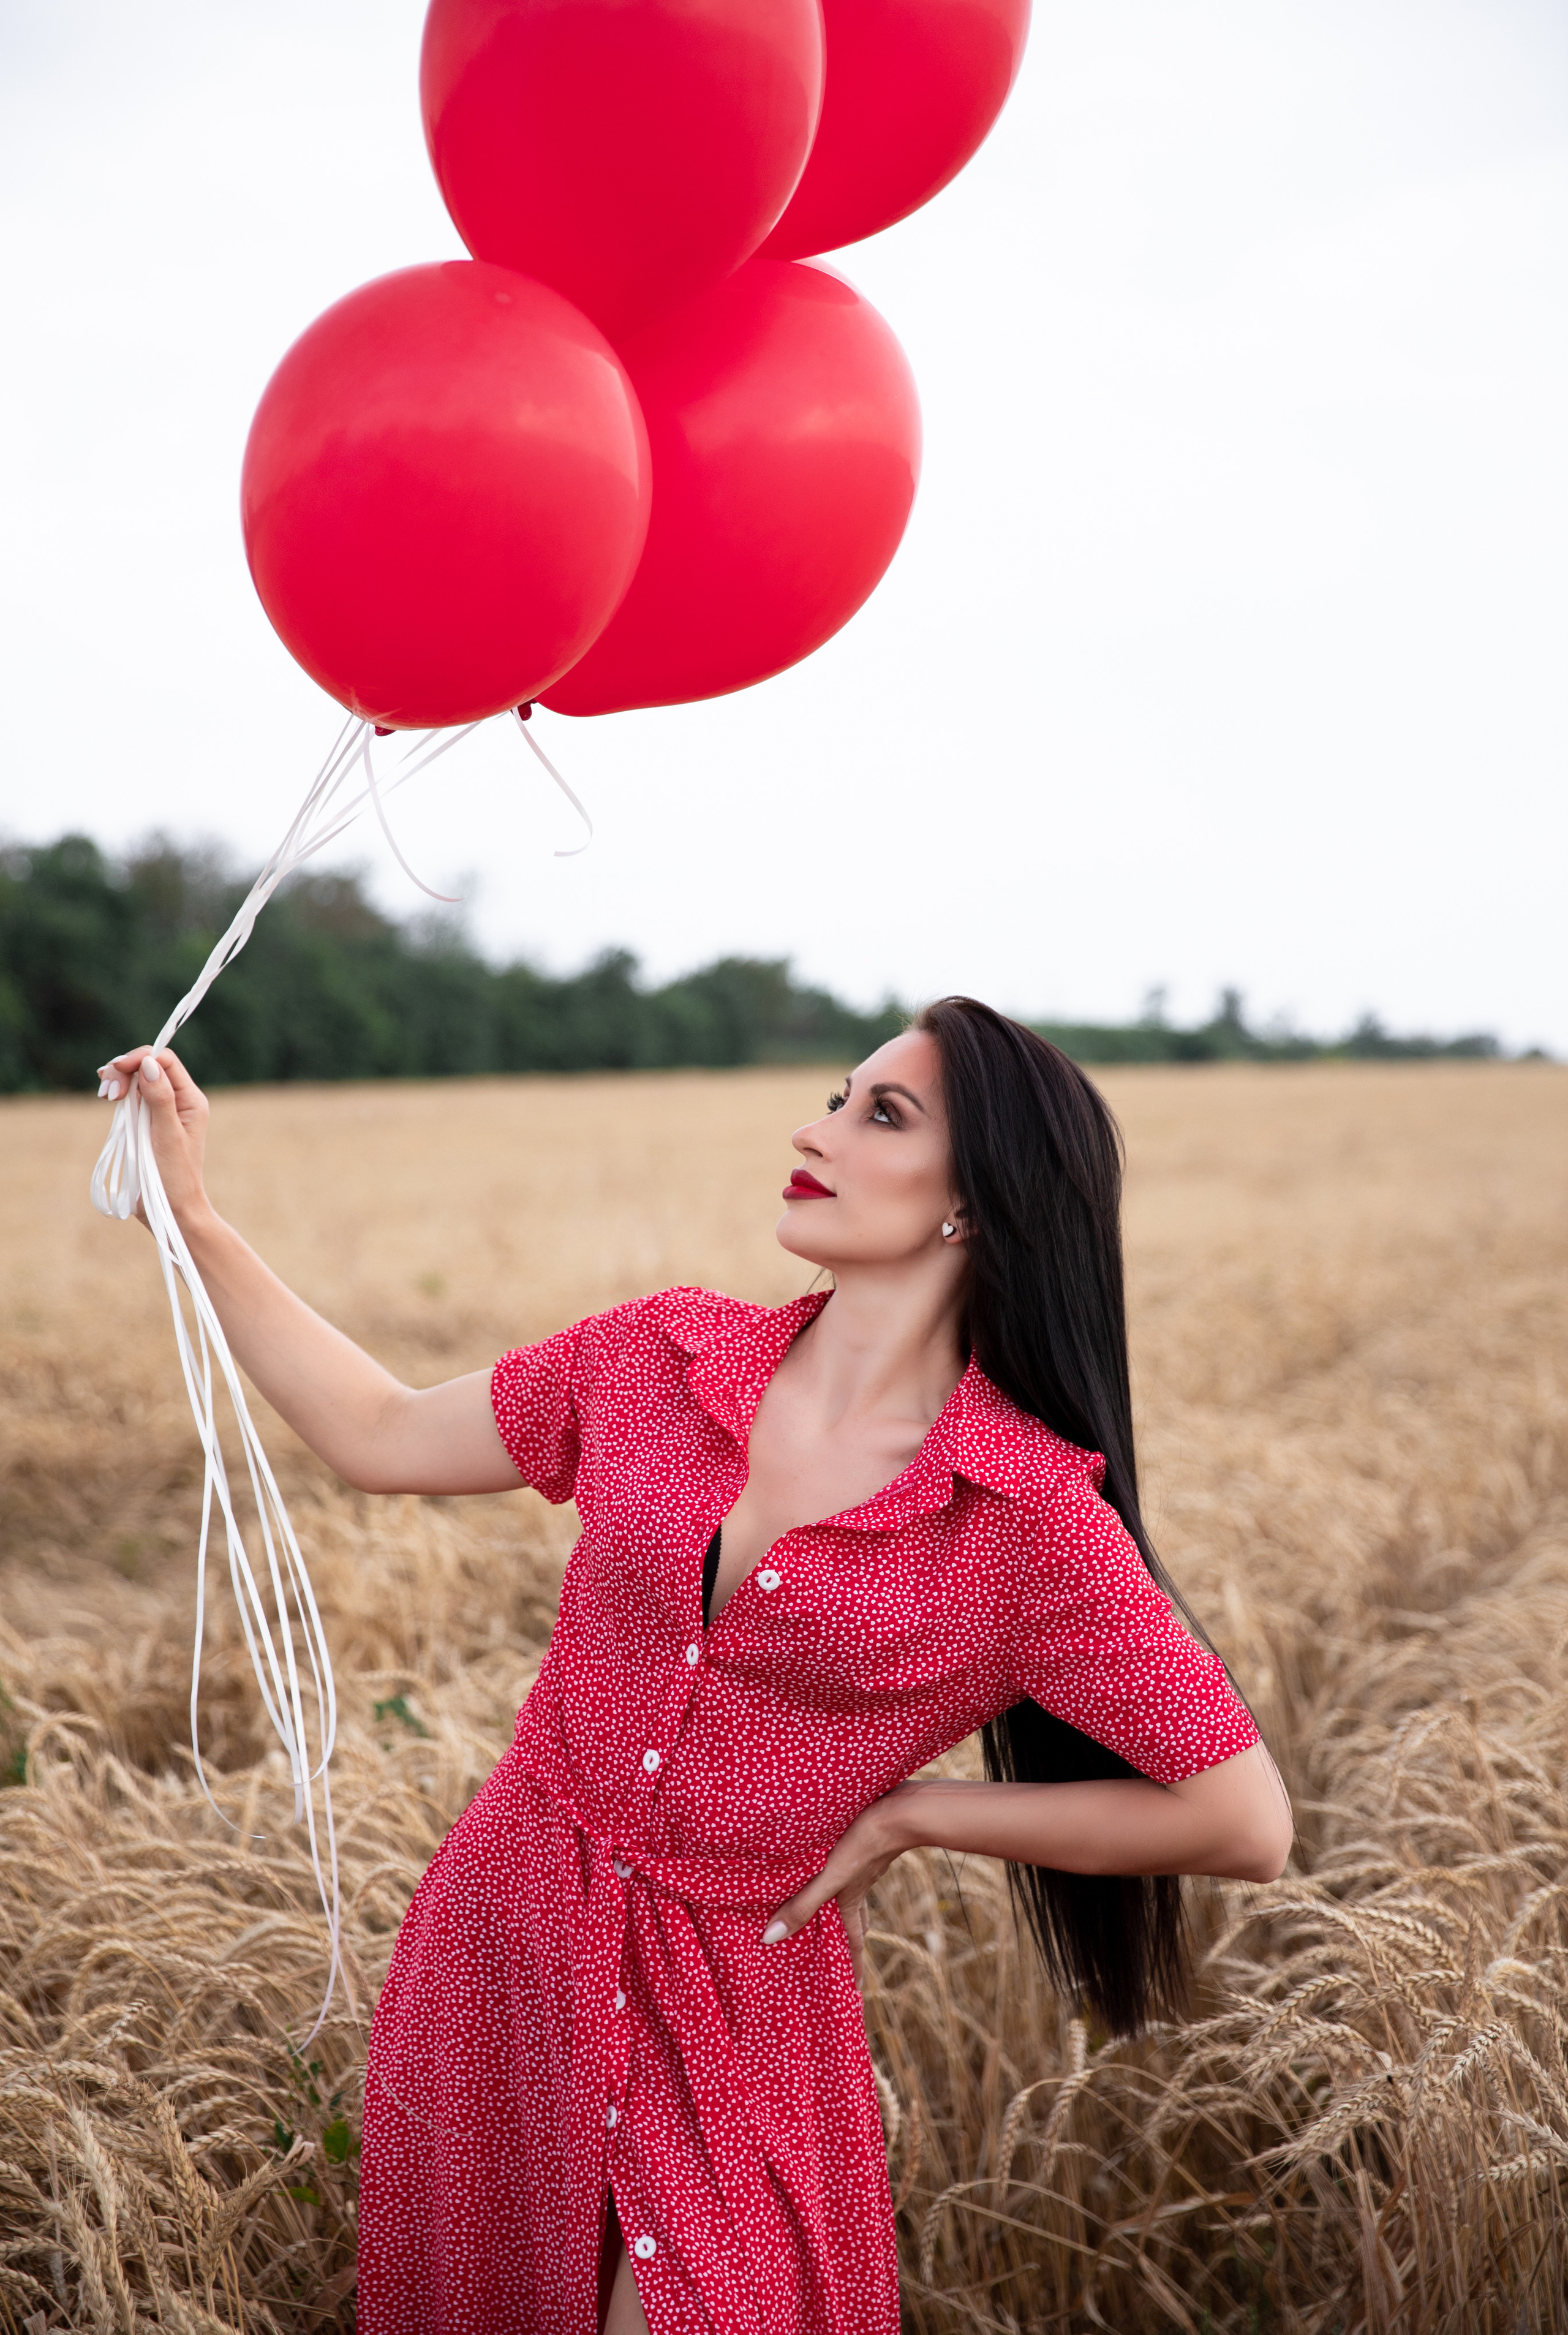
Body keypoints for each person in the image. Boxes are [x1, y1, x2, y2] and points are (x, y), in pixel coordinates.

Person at [99, 997, 1291, 2335]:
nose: (815, 1132)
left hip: (740, 2012)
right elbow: (379, 1432)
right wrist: (192, 1216)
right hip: (505, 1947)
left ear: (974, 1201)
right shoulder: (659, 1358)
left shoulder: (1027, 1517)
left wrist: (913, 1815)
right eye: (836, 1098)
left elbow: (1240, 1820)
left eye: (881, 1115)